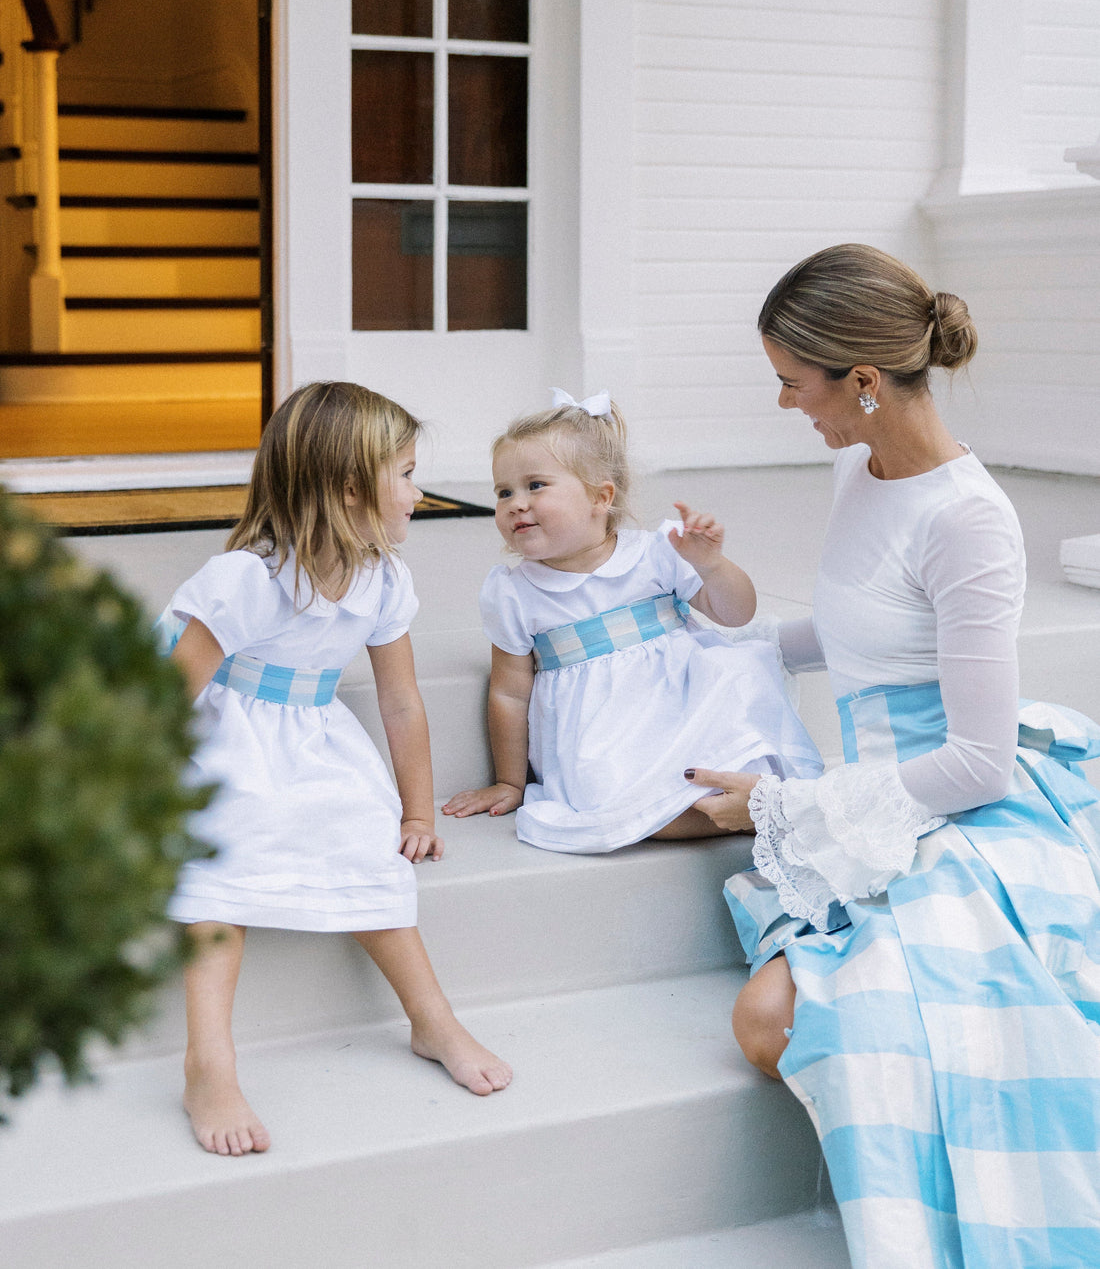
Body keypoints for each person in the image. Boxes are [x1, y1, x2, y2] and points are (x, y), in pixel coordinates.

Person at [686, 245, 1100, 1268]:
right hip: (866, 801)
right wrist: (709, 651)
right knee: (774, 1022)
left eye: (792, 380)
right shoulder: (857, 468)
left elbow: (976, 766)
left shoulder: (969, 521)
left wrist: (779, 808)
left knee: (770, 1023)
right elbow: (857, 630)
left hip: (949, 809)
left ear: (861, 382)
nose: (784, 402)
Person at [159, 381, 511, 1158]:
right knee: (223, 861)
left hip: (313, 740)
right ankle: (208, 1059)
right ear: (352, 488)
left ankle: (432, 1019)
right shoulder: (248, 579)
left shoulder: (382, 577)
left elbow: (402, 703)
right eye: (408, 475)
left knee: (365, 845)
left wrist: (416, 813)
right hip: (222, 740)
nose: (420, 494)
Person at [442, 389, 822, 851]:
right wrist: (510, 782)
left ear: (601, 497)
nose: (516, 503)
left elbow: (737, 613)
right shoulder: (513, 592)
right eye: (504, 492)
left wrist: (712, 565)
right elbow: (508, 690)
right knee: (629, 814)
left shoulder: (655, 554)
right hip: (604, 738)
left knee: (737, 691)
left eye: (535, 486)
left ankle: (763, 800)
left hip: (684, 705)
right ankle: (755, 816)